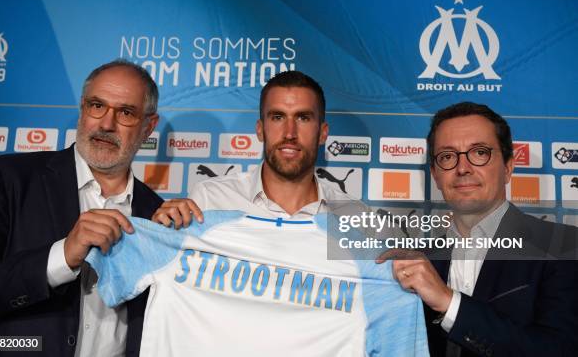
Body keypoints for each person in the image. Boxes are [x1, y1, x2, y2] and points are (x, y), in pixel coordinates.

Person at [0, 59, 163, 356]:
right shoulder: (7, 179)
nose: (106, 124)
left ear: (149, 126)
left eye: (125, 113)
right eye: (97, 106)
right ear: (83, 109)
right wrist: (60, 257)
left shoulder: (157, 215)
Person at [379, 102, 578, 356]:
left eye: (480, 153)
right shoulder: (419, 262)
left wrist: (449, 302)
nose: (462, 169)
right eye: (447, 156)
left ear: (508, 166)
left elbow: (561, 350)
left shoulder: (563, 246)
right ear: (435, 174)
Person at [152, 70, 362, 225]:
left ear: (323, 133)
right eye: (278, 117)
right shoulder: (211, 199)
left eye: (303, 118)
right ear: (260, 130)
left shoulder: (353, 218)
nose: (290, 133)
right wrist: (158, 232)